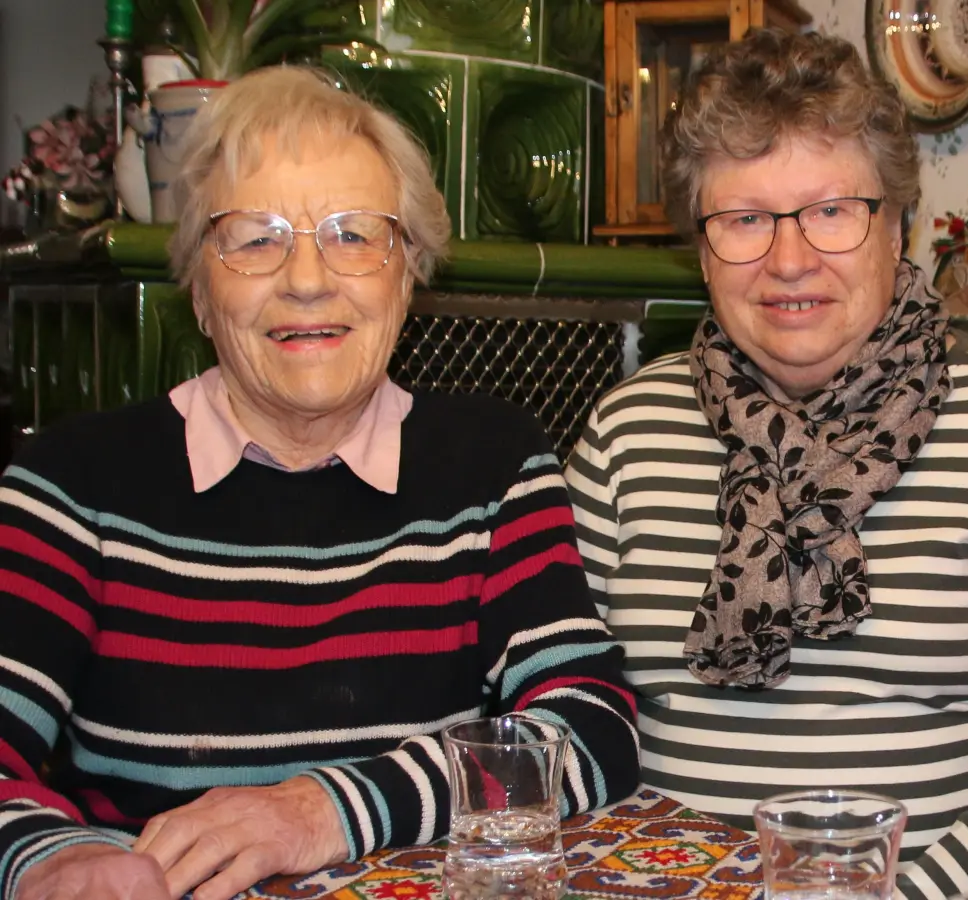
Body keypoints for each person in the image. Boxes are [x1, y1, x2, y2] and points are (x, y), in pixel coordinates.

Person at [1, 67, 638, 900]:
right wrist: (52, 856)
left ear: (407, 277)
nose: (306, 278)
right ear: (198, 285)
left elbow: (592, 731)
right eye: (256, 236)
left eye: (352, 234)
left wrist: (328, 810)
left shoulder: (493, 465)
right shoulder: (69, 486)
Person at [564, 28, 968, 900]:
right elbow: (567, 716)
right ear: (702, 249)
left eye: (831, 212)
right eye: (744, 219)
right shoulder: (621, 438)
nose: (789, 261)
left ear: (894, 225)